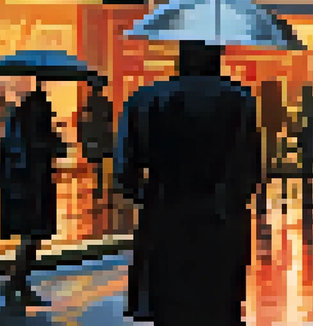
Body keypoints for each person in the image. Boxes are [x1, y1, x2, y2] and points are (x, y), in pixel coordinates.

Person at [116, 41, 261, 325]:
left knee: (168, 309)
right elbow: (249, 173)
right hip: (218, 223)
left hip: (164, 218)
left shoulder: (145, 100)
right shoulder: (239, 101)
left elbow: (125, 174)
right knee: (216, 307)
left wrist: (149, 196)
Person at [0, 84, 65, 308]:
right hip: (33, 187)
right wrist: (55, 143)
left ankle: (18, 281)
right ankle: (17, 281)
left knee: (30, 237)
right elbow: (42, 149)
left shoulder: (17, 123)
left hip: (24, 187)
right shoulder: (32, 128)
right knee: (32, 237)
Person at [77, 76, 115, 210]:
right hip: (101, 134)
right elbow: (109, 119)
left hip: (95, 134)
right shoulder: (104, 102)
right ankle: (99, 188)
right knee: (99, 162)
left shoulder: (89, 102)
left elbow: (84, 119)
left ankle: (98, 188)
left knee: (97, 161)